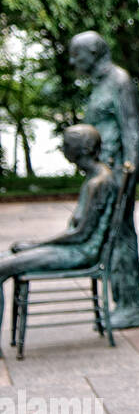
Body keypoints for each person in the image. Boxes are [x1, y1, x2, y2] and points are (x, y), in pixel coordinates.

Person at [0, 126, 116, 343]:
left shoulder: (98, 183)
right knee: (3, 258)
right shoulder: (95, 178)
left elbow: (80, 235)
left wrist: (34, 245)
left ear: (83, 149)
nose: (63, 148)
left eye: (67, 144)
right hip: (74, 246)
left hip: (81, 252)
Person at [69, 30, 139, 329]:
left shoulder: (119, 81)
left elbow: (131, 130)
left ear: (95, 52)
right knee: (111, 239)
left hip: (117, 174)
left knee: (121, 236)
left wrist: (129, 172)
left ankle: (132, 306)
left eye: (78, 53)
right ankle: (122, 301)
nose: (74, 60)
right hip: (104, 173)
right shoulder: (100, 84)